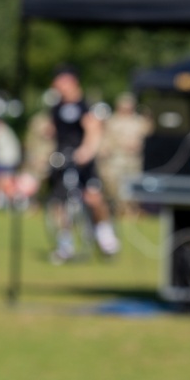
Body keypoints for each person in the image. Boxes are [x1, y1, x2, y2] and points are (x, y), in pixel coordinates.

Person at [45, 65, 120, 261]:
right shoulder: (56, 107)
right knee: (60, 202)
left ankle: (105, 237)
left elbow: (93, 132)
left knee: (93, 197)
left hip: (83, 160)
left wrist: (86, 152)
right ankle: (65, 244)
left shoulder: (85, 106)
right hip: (62, 159)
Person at [98, 92, 152, 218]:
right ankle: (120, 209)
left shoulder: (139, 121)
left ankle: (133, 210)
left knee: (134, 185)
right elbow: (105, 139)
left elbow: (148, 136)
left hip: (134, 159)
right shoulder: (112, 121)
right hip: (117, 159)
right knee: (116, 186)